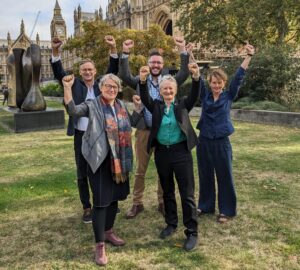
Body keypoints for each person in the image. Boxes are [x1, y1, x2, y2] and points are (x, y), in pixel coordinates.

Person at [62, 73, 142, 266]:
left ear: (119, 89)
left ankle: (108, 232)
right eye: (108, 86)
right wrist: (67, 87)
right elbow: (73, 110)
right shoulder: (92, 104)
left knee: (114, 199)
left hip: (119, 162)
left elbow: (132, 123)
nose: (111, 89)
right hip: (99, 161)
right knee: (100, 202)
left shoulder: (121, 105)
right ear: (101, 87)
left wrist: (138, 109)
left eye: (115, 86)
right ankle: (99, 245)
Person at [119, 37, 190, 219]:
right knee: (140, 170)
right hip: (144, 130)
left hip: (162, 132)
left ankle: (162, 201)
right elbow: (125, 76)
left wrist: (183, 50)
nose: (156, 65)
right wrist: (125, 53)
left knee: (163, 169)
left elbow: (183, 73)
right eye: (153, 62)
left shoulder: (169, 81)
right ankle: (137, 203)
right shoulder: (140, 79)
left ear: (162, 64)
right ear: (148, 64)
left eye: (159, 62)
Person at [50, 35, 119, 223]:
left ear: (95, 71)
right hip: (81, 135)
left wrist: (113, 48)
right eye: (84, 70)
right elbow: (58, 72)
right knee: (82, 172)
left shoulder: (102, 85)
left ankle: (107, 201)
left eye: (90, 69)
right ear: (80, 72)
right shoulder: (74, 84)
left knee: (104, 169)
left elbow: (113, 69)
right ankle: (87, 207)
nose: (87, 72)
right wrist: (56, 51)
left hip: (102, 134)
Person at [139, 62, 200, 251]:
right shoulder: (155, 106)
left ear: (175, 89)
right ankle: (171, 223)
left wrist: (196, 77)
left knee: (187, 193)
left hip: (181, 152)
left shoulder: (182, 105)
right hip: (162, 154)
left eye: (170, 88)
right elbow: (144, 96)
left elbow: (195, 95)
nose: (167, 91)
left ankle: (191, 231)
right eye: (164, 88)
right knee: (167, 191)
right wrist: (142, 81)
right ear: (160, 90)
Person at [196, 43, 255, 223]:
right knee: (205, 174)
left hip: (221, 141)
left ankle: (226, 210)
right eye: (213, 82)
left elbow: (239, 77)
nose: (216, 85)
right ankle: (205, 206)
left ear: (223, 83)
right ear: (210, 83)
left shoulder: (228, 96)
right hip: (204, 140)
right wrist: (188, 53)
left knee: (225, 175)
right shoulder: (204, 95)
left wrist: (249, 56)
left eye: (219, 82)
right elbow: (196, 76)